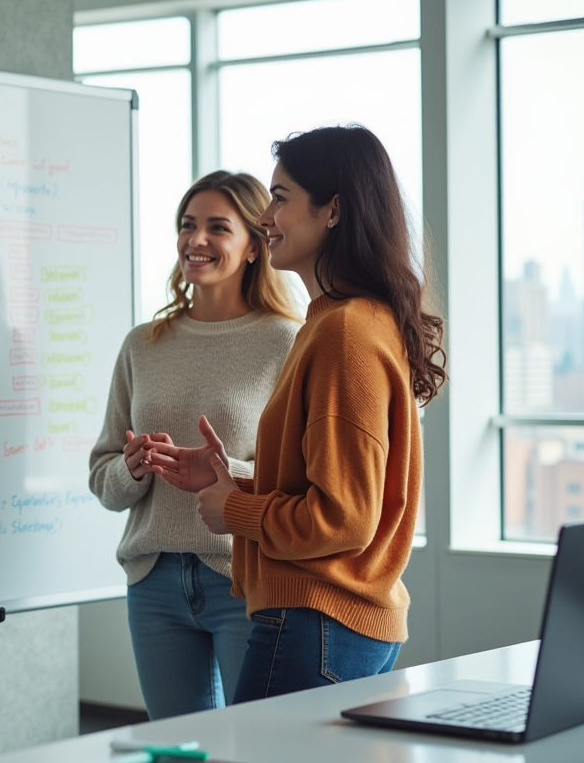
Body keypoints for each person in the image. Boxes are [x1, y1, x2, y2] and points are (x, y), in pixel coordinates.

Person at [143, 125, 446, 704]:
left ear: (332, 210)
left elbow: (343, 518)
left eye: (280, 198)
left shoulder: (345, 332)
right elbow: (336, 483)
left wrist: (236, 509)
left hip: (317, 621)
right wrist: (235, 479)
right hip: (336, 623)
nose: (267, 217)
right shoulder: (341, 320)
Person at [88, 171, 301, 719]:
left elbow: (300, 474)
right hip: (153, 580)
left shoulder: (287, 341)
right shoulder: (143, 344)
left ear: (255, 245)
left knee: (254, 745)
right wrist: (130, 470)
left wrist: (221, 470)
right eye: (188, 225)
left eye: (217, 228)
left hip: (243, 576)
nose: (196, 240)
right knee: (175, 750)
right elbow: (104, 475)